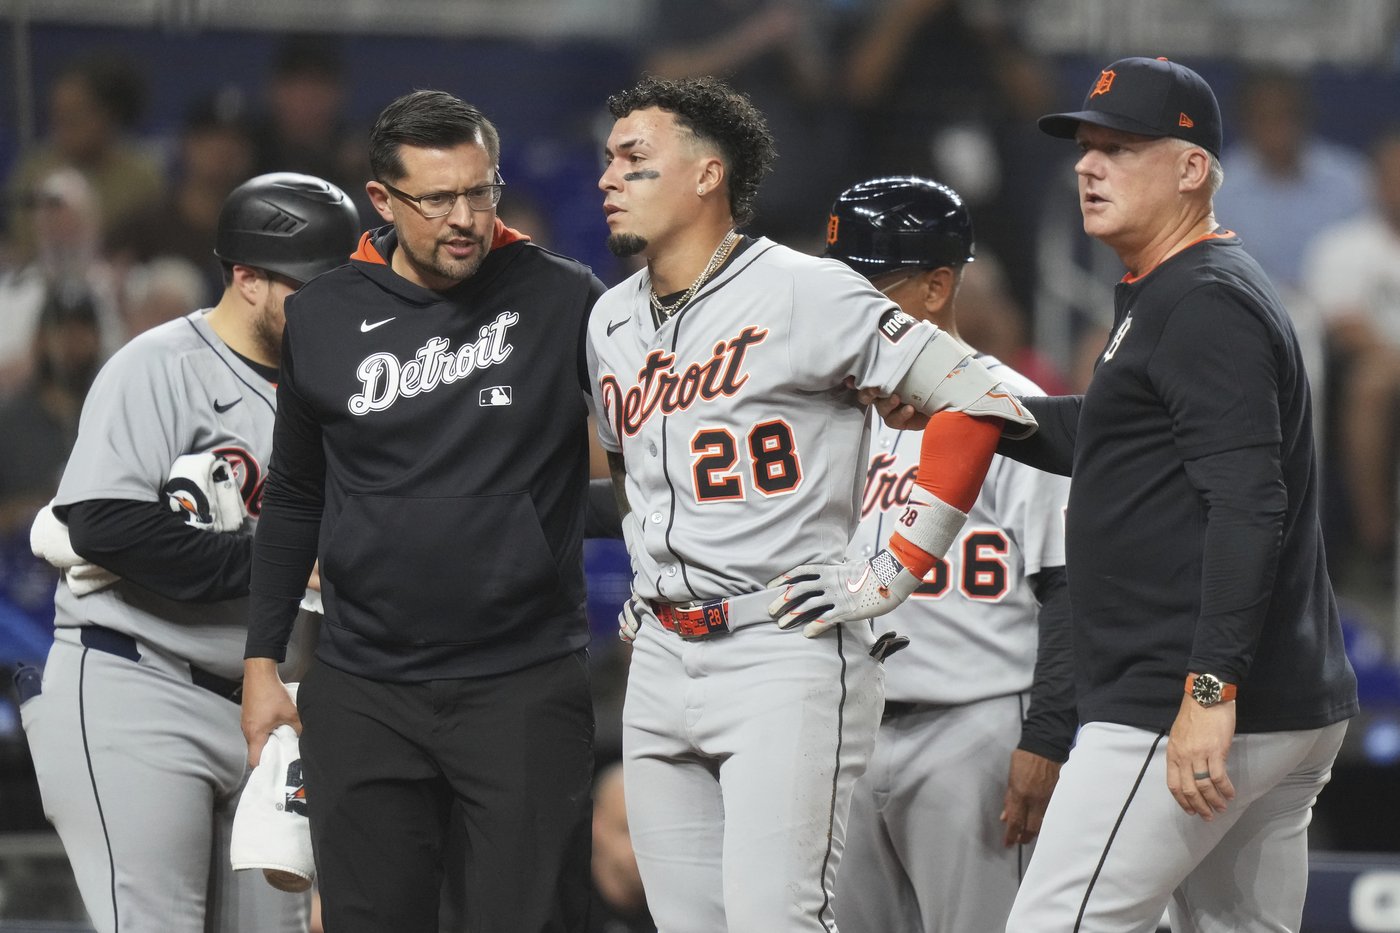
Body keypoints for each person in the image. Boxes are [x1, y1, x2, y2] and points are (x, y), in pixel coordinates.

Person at [589, 75, 1037, 932]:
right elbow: (627, 460)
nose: (608, 177)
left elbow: (979, 400)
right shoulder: (608, 319)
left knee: (777, 920)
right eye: (609, 159)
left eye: (634, 159)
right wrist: (649, 565)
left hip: (779, 648)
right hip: (659, 658)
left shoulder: (807, 288)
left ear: (707, 174)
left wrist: (895, 568)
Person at [997, 57, 1358, 931]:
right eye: (1085, 148)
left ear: (1192, 169)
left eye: (1118, 149)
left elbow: (1249, 504)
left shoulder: (1203, 302)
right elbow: (1125, 435)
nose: (1088, 166)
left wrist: (1207, 692)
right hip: (1267, 698)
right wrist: (985, 412)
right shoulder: (1185, 289)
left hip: (1183, 698)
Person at [240, 90, 606, 933]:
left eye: (481, 191)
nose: (466, 218)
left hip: (522, 683)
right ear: (383, 201)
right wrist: (262, 659)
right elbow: (296, 493)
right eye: (437, 199)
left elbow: (644, 459)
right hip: (365, 684)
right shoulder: (323, 314)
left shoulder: (564, 298)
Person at [19, 171, 359, 933]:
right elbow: (100, 521)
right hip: (139, 681)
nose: (329, 304)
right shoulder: (160, 365)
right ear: (245, 277)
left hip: (271, 713)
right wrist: (278, 558)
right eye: (309, 286)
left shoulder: (333, 392)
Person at [824, 176, 1075, 933]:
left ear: (937, 286)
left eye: (868, 286)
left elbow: (1071, 584)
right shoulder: (822, 409)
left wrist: (1047, 736)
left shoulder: (1013, 409)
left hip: (978, 728)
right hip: (847, 722)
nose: (845, 306)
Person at [1301, 128, 1400, 564]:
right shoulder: (1343, 245)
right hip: (1368, 370)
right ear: (1376, 182)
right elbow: (1342, 324)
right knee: (1372, 383)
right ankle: (1377, 543)